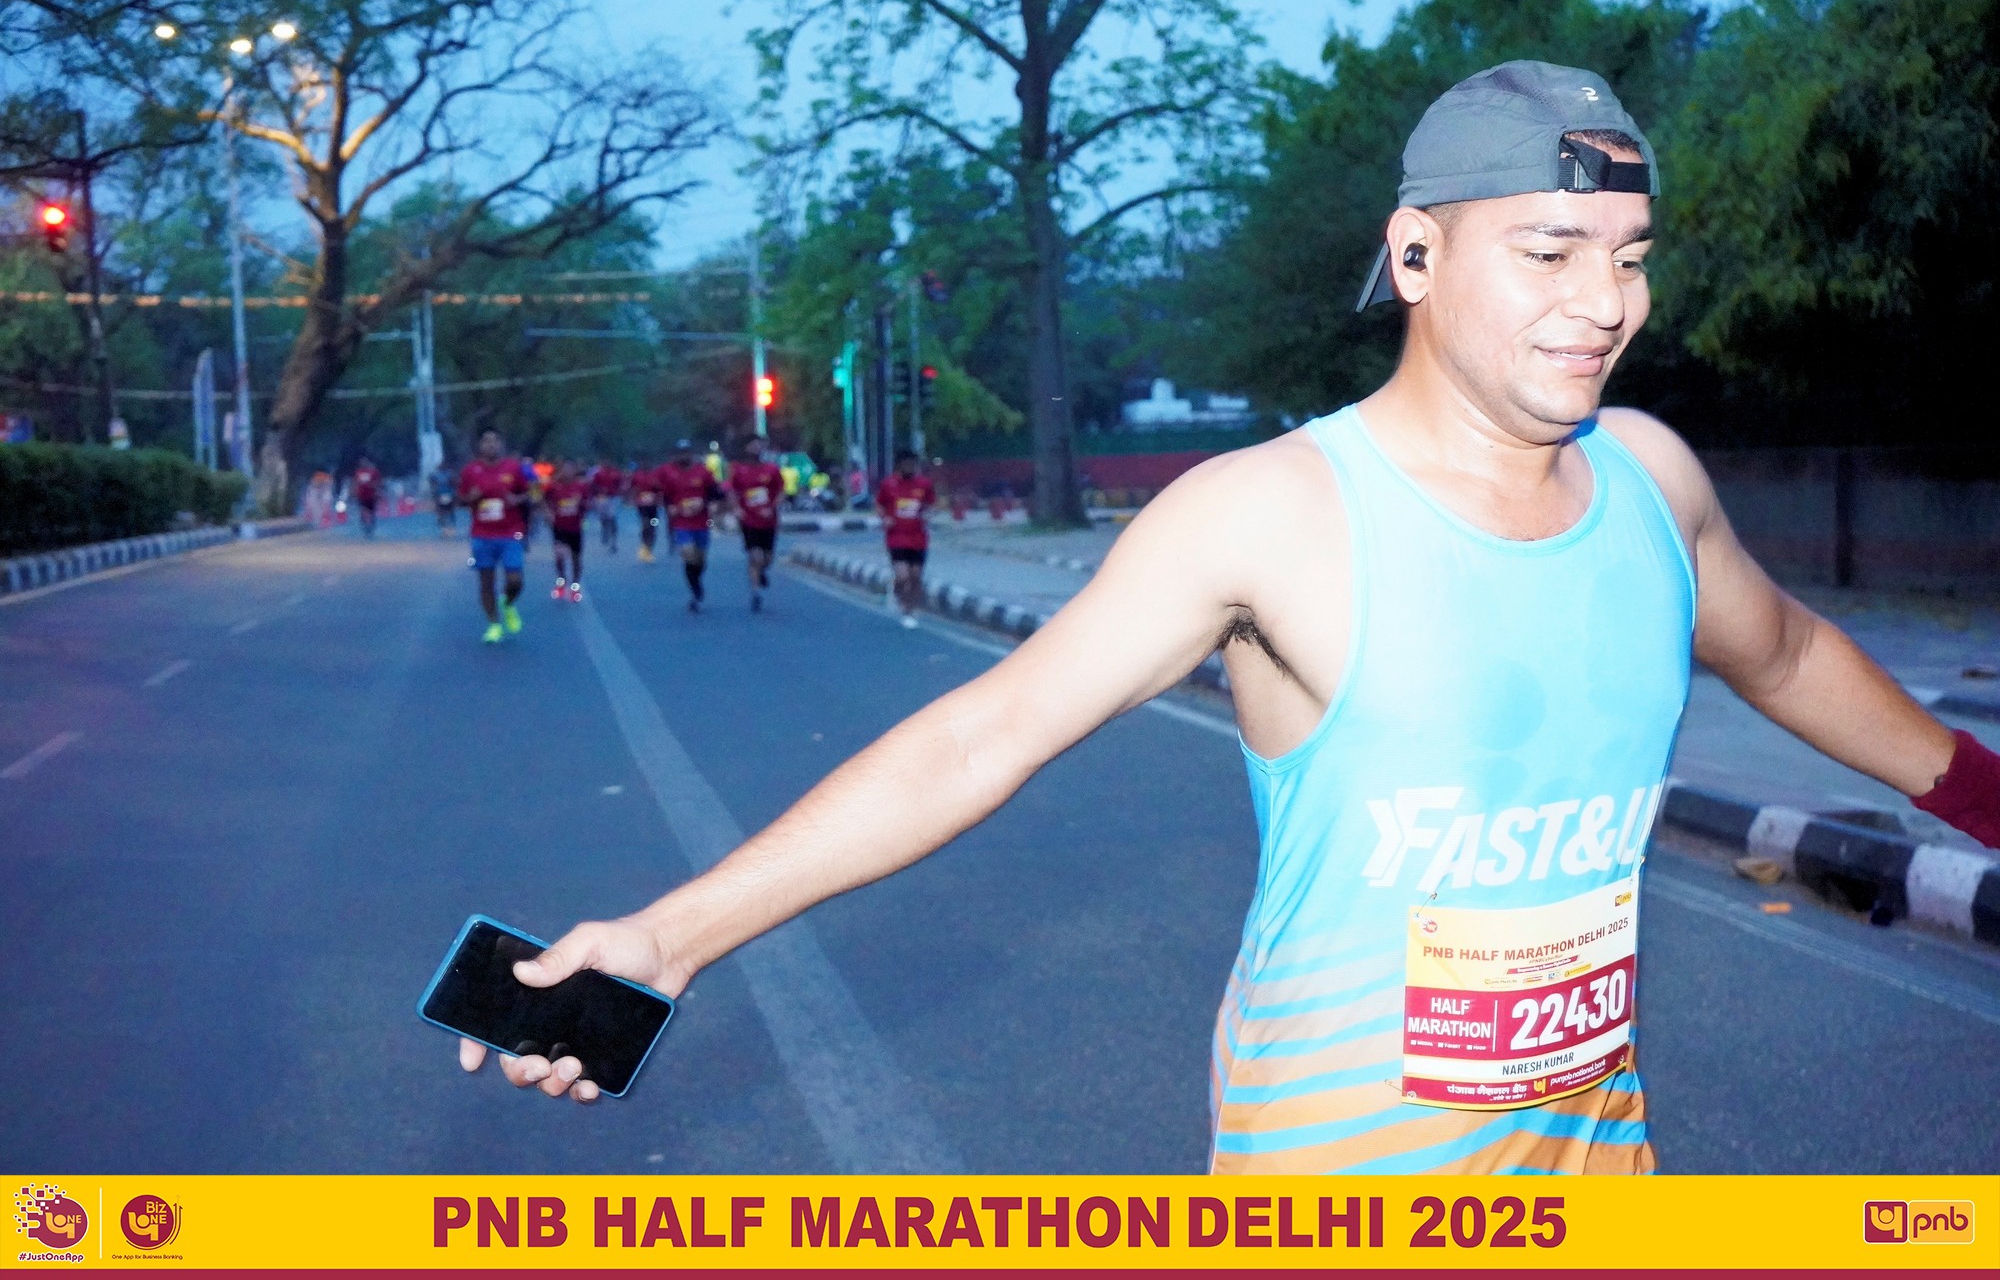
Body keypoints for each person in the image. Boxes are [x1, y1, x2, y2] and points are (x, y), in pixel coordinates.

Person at [451, 61, 2000, 1171]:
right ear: (1416, 253)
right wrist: (670, 936)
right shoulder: (1272, 510)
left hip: (1599, 1177)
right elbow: (986, 734)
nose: (1604, 303)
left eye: (1630, 258)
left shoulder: (1651, 483)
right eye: (1549, 251)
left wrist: (1989, 804)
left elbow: (1788, 651)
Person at [456, 428, 534, 644]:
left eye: (494, 441)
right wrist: (469, 498)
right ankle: (494, 625)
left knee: (515, 579)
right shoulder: (470, 470)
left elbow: (530, 492)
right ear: (480, 445)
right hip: (482, 534)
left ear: (501, 444)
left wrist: (517, 500)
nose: (490, 445)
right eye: (486, 441)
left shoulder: (513, 468)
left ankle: (507, 603)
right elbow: (459, 499)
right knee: (486, 582)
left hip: (510, 533)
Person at [658, 438, 725, 612]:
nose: (683, 456)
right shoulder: (670, 473)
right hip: (682, 522)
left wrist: (709, 504)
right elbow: (665, 495)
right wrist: (670, 507)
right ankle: (695, 589)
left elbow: (716, 493)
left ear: (692, 454)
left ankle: (697, 580)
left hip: (701, 522)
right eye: (680, 453)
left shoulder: (703, 472)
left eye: (686, 453)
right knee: (688, 554)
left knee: (700, 559)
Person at [875, 450, 937, 629]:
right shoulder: (889, 484)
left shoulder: (924, 484)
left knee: (916, 577)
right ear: (899, 465)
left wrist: (928, 514)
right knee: (903, 577)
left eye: (913, 464)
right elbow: (879, 504)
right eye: (906, 464)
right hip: (896, 537)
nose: (910, 468)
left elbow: (931, 504)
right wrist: (884, 518)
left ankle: (911, 610)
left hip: (918, 538)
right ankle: (904, 606)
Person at [727, 435, 786, 613]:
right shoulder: (738, 470)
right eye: (753, 446)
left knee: (767, 558)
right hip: (749, 519)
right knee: (755, 557)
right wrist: (737, 509)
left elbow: (781, 491)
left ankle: (761, 573)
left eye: (759, 446)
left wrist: (772, 507)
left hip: (768, 520)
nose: (756, 449)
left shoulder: (772, 469)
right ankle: (755, 593)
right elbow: (731, 491)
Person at [543, 459, 589, 602]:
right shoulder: (553, 486)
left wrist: (583, 507)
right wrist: (547, 513)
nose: (567, 472)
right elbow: (543, 500)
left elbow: (588, 503)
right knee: (560, 555)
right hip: (559, 527)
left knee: (576, 558)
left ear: (574, 471)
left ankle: (575, 586)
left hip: (575, 527)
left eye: (570, 469)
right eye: (564, 469)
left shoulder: (581, 486)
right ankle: (561, 581)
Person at [590, 458, 626, 554]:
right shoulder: (598, 474)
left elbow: (622, 484)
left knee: (612, 517)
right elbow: (593, 485)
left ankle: (613, 541)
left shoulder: (616, 473)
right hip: (601, 498)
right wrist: (598, 491)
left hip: (613, 498)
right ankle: (605, 530)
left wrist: (620, 491)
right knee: (603, 518)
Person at [631, 460, 663, 564]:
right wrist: (634, 499)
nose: (646, 465)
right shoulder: (637, 475)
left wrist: (658, 498)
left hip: (654, 507)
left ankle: (649, 549)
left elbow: (661, 489)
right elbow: (632, 488)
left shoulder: (656, 476)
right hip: (642, 506)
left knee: (653, 526)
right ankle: (644, 546)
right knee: (645, 525)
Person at [350, 456, 382, 538]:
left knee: (371, 512)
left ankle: (371, 527)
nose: (363, 464)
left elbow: (378, 483)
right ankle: (364, 526)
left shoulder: (373, 472)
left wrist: (375, 489)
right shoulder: (358, 472)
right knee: (363, 511)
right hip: (361, 495)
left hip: (371, 495)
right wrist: (353, 492)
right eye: (362, 463)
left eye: (365, 462)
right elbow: (355, 482)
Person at [432, 467, 457, 536]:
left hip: (447, 498)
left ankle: (449, 528)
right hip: (443, 497)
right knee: (444, 513)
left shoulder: (448, 487)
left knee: (448, 513)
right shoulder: (440, 487)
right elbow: (436, 496)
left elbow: (454, 495)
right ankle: (445, 529)